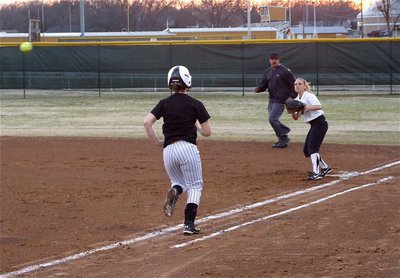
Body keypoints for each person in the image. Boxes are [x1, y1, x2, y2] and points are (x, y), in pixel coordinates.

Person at [143, 65, 212, 235]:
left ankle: (176, 191)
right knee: (196, 185)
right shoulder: (196, 104)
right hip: (187, 147)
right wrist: (194, 125)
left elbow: (147, 122)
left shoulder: (164, 103)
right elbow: (207, 132)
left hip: (168, 151)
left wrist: (158, 142)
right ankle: (189, 224)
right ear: (187, 81)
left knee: (178, 182)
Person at [290, 78, 332, 180]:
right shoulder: (297, 100)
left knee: (313, 148)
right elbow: (296, 118)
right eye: (295, 84)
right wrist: (292, 111)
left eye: (299, 84)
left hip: (320, 123)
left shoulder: (309, 95)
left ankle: (316, 172)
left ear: (305, 86)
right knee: (306, 150)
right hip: (314, 125)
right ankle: (325, 167)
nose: (297, 86)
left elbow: (319, 106)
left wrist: (306, 107)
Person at [255, 52, 297, 148]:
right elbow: (264, 84)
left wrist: (291, 96)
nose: (274, 60)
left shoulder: (285, 71)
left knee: (272, 119)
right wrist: (259, 89)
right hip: (272, 99)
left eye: (275, 59)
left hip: (281, 100)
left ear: (279, 60)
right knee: (273, 120)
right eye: (272, 59)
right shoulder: (267, 71)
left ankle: (284, 134)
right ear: (269, 60)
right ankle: (282, 139)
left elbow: (293, 84)